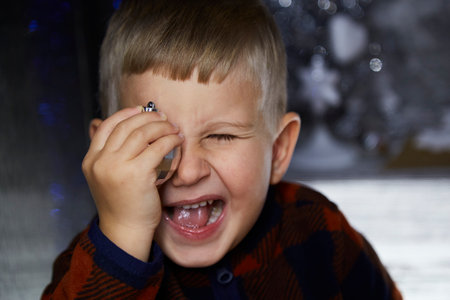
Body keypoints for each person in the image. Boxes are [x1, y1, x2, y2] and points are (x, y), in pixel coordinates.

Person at [42, 0, 402, 299]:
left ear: (278, 150)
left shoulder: (320, 230)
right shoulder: (89, 265)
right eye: (154, 140)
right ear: (105, 152)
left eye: (221, 136)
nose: (187, 172)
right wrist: (123, 237)